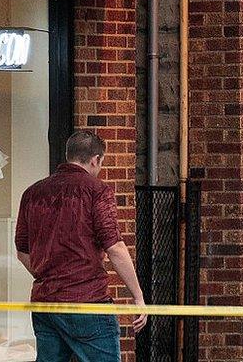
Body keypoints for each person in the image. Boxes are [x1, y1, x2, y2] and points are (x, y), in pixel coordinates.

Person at [14, 130, 146, 362]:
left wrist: (51, 278)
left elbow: (22, 252)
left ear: (69, 155)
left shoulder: (32, 193)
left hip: (46, 305)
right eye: (101, 163)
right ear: (95, 159)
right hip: (88, 302)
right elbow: (114, 246)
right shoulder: (96, 190)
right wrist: (138, 297)